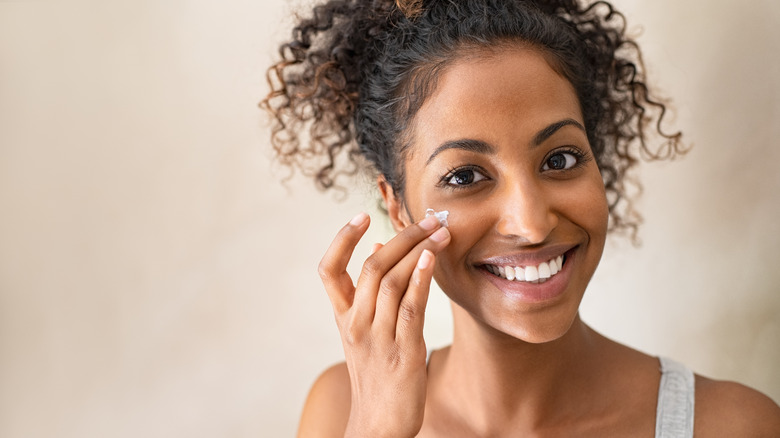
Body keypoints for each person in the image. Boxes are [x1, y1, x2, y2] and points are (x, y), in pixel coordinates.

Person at [262, 0, 780, 436]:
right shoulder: (340, 412)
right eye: (465, 176)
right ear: (398, 206)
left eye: (560, 159)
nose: (531, 225)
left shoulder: (730, 425)